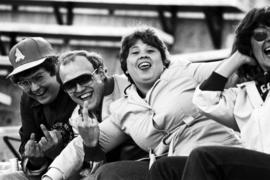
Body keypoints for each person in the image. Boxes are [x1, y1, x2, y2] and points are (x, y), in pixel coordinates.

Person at [70, 26, 242, 180]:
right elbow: (87, 150)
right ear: (126, 66)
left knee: (169, 166)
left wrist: (244, 53)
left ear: (163, 60)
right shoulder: (122, 108)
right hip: (173, 167)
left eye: (151, 51)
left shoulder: (185, 71)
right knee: (108, 173)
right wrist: (89, 143)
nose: (143, 54)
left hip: (215, 155)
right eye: (135, 52)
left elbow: (231, 71)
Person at [147, 6, 270, 180]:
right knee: (167, 167)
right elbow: (204, 100)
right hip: (257, 170)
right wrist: (239, 57)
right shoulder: (245, 94)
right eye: (260, 35)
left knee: (204, 158)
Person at [42, 50, 146, 180]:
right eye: (70, 85)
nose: (79, 89)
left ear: (101, 73)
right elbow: (89, 165)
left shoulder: (134, 87)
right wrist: (90, 145)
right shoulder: (77, 118)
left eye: (84, 79)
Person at [0, 37, 77, 180]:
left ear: (56, 68)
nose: (34, 88)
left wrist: (57, 153)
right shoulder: (28, 99)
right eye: (25, 82)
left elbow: (95, 154)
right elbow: (26, 149)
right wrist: (36, 160)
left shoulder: (76, 87)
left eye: (39, 77)